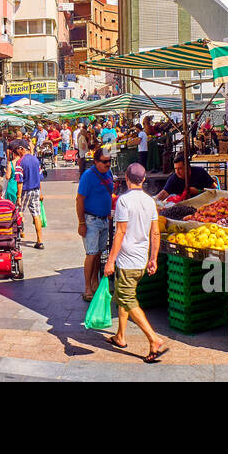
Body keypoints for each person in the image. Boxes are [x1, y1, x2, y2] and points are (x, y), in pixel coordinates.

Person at [104, 163, 166, 363]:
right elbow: (155, 232)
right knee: (125, 295)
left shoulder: (123, 201)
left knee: (128, 299)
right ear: (144, 179)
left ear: (127, 179)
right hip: (141, 260)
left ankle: (153, 338)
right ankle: (120, 336)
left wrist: (110, 261)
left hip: (127, 260)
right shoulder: (150, 202)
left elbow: (120, 232)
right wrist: (153, 258)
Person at [75, 147, 116, 302]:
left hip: (104, 220)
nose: (108, 165)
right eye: (105, 162)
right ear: (96, 162)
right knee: (91, 254)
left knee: (99, 254)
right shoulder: (88, 176)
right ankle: (87, 288)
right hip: (91, 220)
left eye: (109, 161)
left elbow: (108, 193)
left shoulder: (109, 174)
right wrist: (81, 223)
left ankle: (94, 283)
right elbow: (79, 200)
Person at [16, 141, 45, 249]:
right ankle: (40, 241)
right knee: (36, 215)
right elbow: (40, 178)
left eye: (18, 149)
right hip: (36, 190)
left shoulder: (20, 162)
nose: (17, 152)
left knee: (19, 211)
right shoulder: (36, 160)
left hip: (25, 191)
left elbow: (19, 181)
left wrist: (19, 197)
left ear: (21, 149)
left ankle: (19, 234)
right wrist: (41, 193)